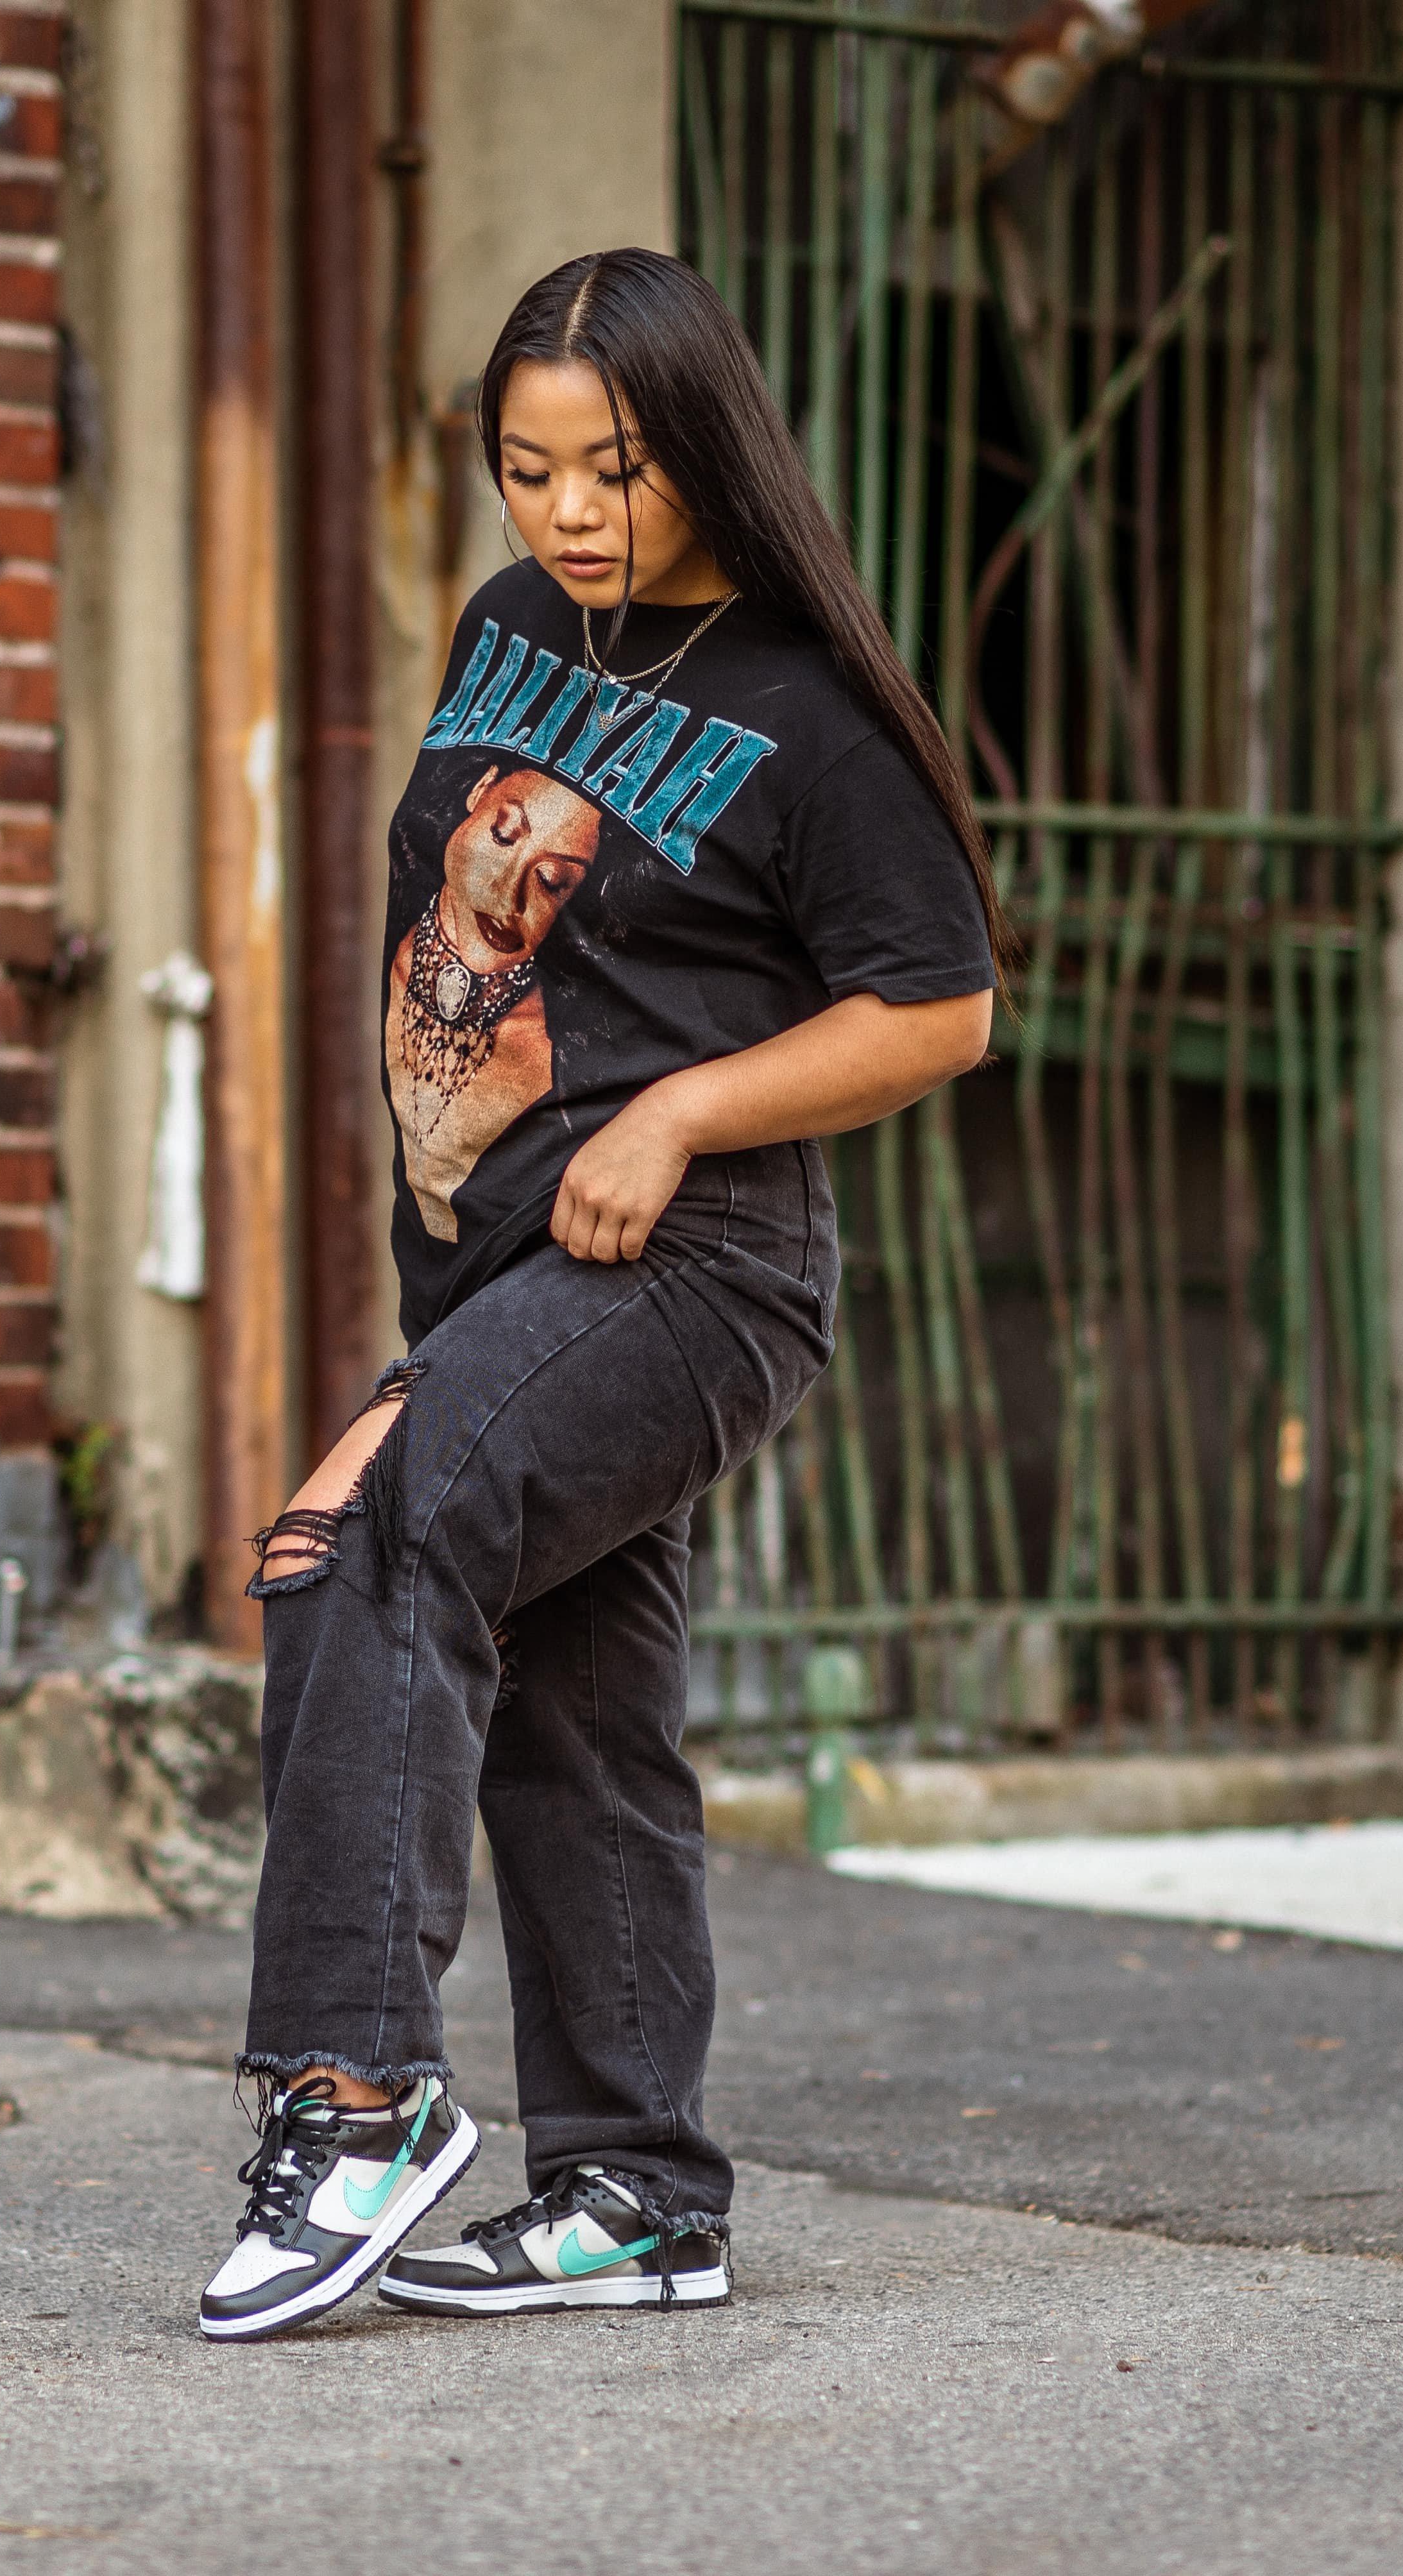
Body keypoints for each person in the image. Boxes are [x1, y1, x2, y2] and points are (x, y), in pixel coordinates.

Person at [194, 248, 1013, 2342]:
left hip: (692, 1265)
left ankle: (357, 2094)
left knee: (361, 1540)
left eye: (617, 469)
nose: (569, 512)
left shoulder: (809, 708)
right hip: (501, 1266)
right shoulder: (508, 628)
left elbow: (939, 1010)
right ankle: (639, 2195)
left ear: (706, 446)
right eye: (529, 465)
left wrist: (681, 1115)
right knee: (574, 1713)